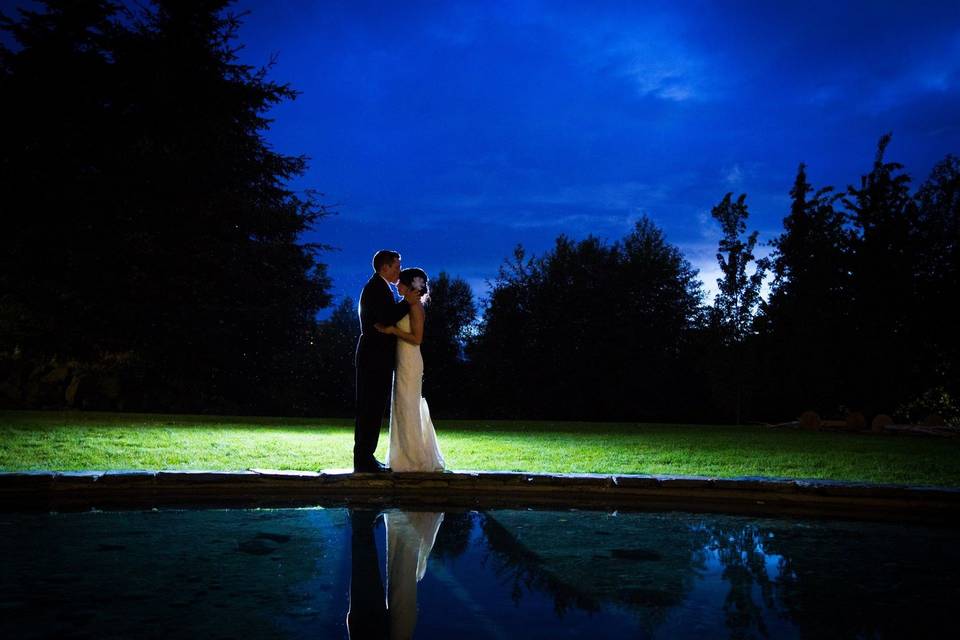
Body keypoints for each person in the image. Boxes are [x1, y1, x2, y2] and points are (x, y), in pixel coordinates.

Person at [375, 268, 446, 472]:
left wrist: (392, 330)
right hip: (402, 360)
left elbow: (417, 338)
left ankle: (413, 459)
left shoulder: (415, 307)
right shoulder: (406, 305)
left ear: (408, 286)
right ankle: (403, 456)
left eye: (400, 283)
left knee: (408, 406)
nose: (397, 285)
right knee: (402, 406)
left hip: (410, 360)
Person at [353, 250, 410, 473]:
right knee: (369, 408)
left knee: (373, 408)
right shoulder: (376, 288)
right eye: (396, 267)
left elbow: (386, 318)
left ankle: (366, 457)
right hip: (372, 359)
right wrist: (407, 303)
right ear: (384, 268)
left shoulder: (380, 287)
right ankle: (363, 459)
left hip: (376, 358)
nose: (399, 271)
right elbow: (386, 316)